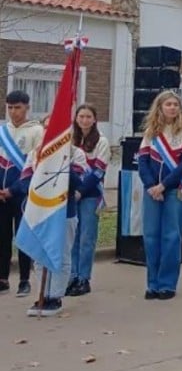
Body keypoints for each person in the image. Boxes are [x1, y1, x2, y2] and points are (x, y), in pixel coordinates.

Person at [10, 116, 88, 317]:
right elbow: (24, 181)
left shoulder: (76, 154)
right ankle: (42, 294)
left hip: (65, 212)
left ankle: (55, 296)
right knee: (40, 254)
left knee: (61, 254)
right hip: (39, 212)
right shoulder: (35, 154)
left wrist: (61, 161)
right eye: (47, 128)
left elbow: (79, 182)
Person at [136, 90, 182, 300]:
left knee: (171, 236)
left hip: (175, 189)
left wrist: (163, 186)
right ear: (160, 107)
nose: (172, 107)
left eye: (175, 104)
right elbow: (142, 162)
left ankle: (167, 284)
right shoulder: (151, 132)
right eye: (168, 104)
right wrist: (152, 185)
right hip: (153, 190)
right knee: (151, 236)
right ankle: (152, 284)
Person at [0, 90, 44, 296]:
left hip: (22, 194)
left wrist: (13, 189)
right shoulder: (2, 131)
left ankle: (24, 279)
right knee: (2, 237)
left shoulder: (36, 131)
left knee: (23, 236)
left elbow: (35, 166)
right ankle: (2, 278)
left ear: (27, 107)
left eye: (17, 107)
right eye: (10, 107)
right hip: (1, 195)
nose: (13, 112)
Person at [66, 104, 110, 297]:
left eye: (88, 117)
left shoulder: (102, 141)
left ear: (94, 119)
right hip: (71, 194)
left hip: (91, 195)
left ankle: (84, 278)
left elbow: (98, 172)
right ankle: (72, 276)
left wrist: (81, 191)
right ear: (76, 119)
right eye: (81, 116)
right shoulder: (70, 140)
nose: (84, 120)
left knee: (87, 238)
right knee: (73, 237)